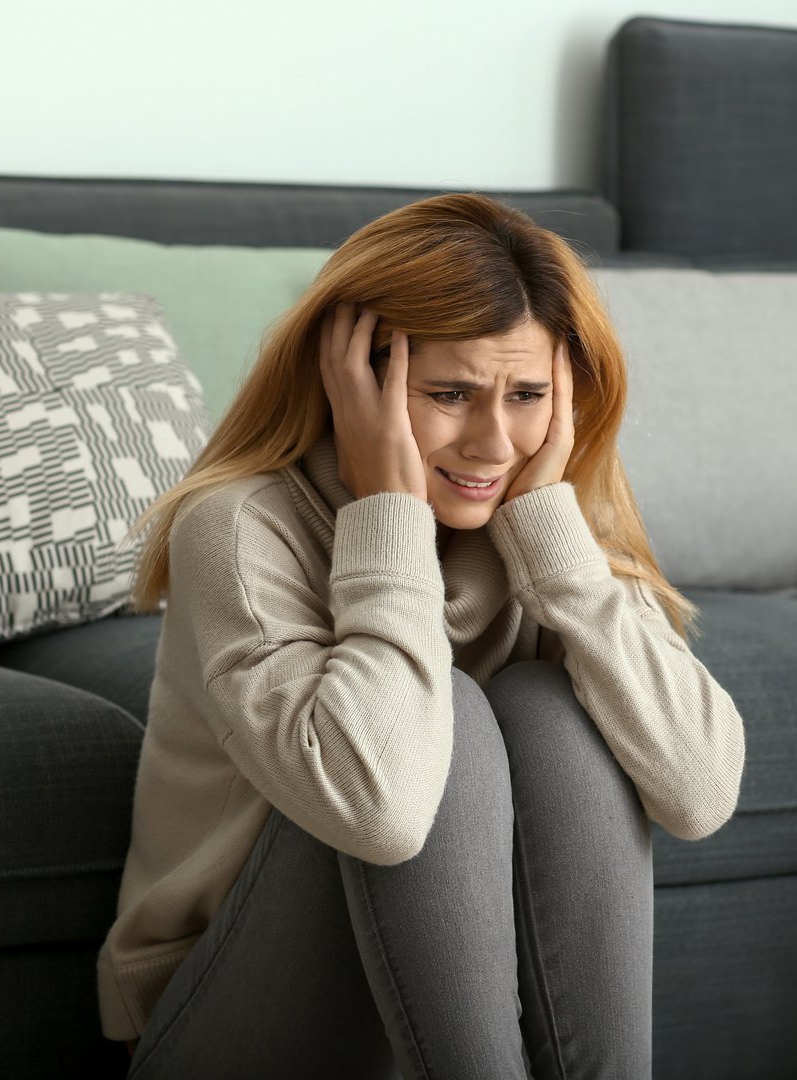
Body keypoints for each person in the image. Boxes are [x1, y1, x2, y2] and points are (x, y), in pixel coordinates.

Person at [96, 192, 747, 1078]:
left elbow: (698, 793)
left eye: (527, 396)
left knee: (556, 712)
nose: (493, 441)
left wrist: (559, 554)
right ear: (351, 380)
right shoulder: (241, 527)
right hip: (231, 1017)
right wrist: (390, 516)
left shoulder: (541, 517)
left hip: (426, 1011)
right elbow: (383, 810)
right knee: (454, 729)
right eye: (450, 394)